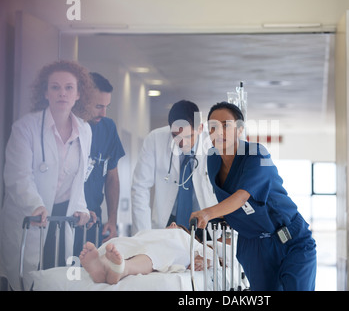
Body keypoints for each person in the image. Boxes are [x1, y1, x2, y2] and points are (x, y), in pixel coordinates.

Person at [190, 101, 317, 291]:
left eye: (226, 125)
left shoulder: (257, 155)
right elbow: (229, 203)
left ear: (240, 130)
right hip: (253, 245)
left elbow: (242, 197)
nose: (220, 132)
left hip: (290, 239)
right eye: (214, 127)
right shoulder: (212, 158)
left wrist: (208, 213)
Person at [0, 60, 93, 290]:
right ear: (45, 92)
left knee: (59, 279)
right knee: (28, 280)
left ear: (79, 93)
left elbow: (80, 177)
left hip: (63, 217)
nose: (62, 93)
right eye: (55, 87)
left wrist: (80, 207)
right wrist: (35, 205)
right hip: (32, 217)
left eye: (69, 87)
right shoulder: (25, 128)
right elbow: (18, 176)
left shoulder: (85, 129)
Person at [131, 100, 217, 235]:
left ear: (200, 128)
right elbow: (140, 188)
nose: (182, 143)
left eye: (189, 136)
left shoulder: (214, 143)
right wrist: (143, 235)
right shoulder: (155, 139)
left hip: (205, 222)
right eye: (176, 136)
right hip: (168, 222)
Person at [73, 72, 125, 257]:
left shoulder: (107, 128)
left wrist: (112, 219)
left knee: (88, 277)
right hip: (67, 217)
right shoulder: (70, 126)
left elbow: (112, 177)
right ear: (81, 98)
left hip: (94, 221)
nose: (103, 113)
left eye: (106, 107)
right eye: (98, 106)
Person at [79, 222, 213, 285]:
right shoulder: (152, 233)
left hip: (167, 247)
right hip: (141, 241)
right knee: (121, 245)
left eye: (179, 227)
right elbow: (139, 239)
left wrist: (201, 261)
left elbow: (207, 254)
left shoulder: (184, 239)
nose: (173, 227)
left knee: (154, 254)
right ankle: (102, 265)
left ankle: (121, 269)